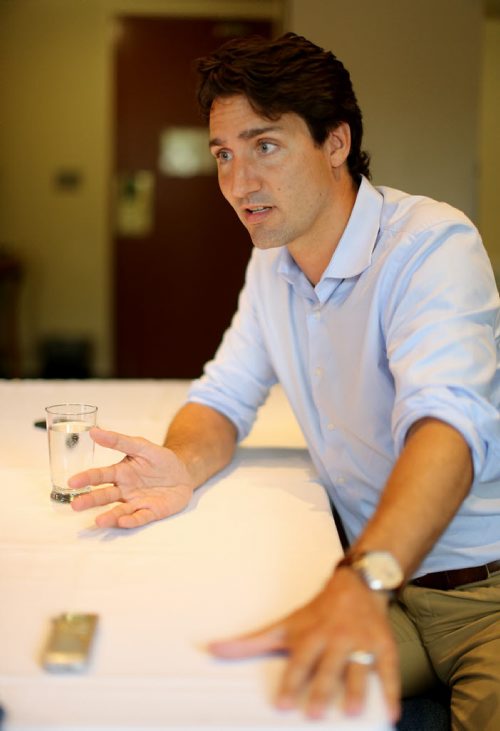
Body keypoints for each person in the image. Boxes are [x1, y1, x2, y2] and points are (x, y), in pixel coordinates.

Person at [70, 33, 500, 729]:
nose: (238, 183)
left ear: (335, 142)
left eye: (264, 145)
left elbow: (447, 428)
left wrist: (362, 581)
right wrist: (181, 463)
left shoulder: (430, 245)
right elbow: (221, 396)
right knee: (231, 698)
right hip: (380, 585)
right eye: (223, 155)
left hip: (483, 595)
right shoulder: (272, 265)